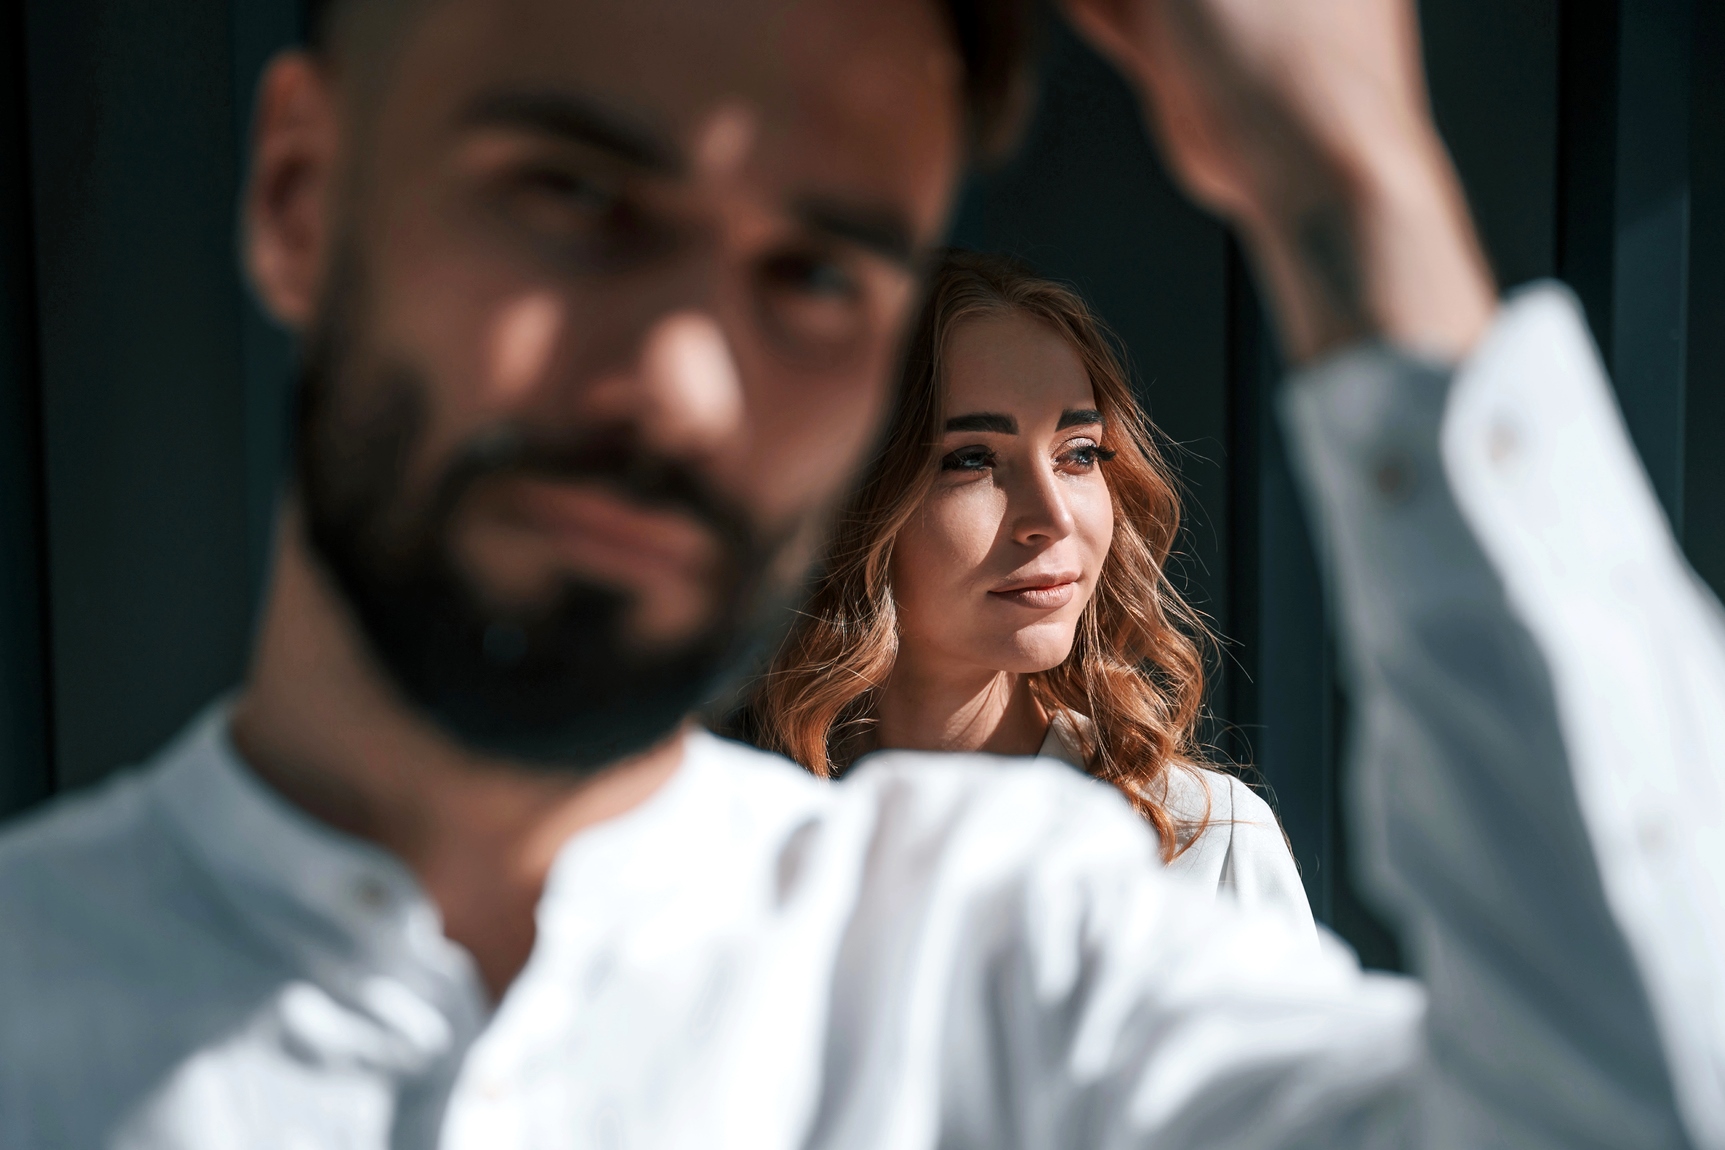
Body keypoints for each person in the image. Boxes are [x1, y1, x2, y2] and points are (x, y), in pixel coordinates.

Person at [0, 0, 1720, 1146]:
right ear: (299, 191)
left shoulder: (1019, 955)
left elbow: (1638, 1098)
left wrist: (1352, 174)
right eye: (571, 196)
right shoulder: (37, 1000)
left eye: (817, 275)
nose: (682, 387)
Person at [741, 248, 1311, 924]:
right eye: (972, 459)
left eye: (1077, 454)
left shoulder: (1200, 850)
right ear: (842, 492)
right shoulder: (705, 842)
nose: (1052, 517)